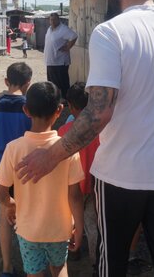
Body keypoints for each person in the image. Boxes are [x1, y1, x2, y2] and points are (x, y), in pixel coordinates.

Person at [17, 0, 154, 277]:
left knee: (111, 262)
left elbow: (99, 113)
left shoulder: (110, 33)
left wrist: (52, 156)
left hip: (122, 177)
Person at [0, 82, 85, 277]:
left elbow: (1, 193)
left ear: (26, 110)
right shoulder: (67, 150)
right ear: (60, 110)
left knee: (34, 273)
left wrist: (12, 206)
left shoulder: (13, 148)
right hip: (60, 229)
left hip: (28, 230)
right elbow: (75, 196)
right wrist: (79, 227)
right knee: (59, 268)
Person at [0, 62, 33, 277]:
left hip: (0, 170)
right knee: (28, 215)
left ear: (5, 81)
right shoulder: (30, 107)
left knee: (5, 218)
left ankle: (6, 268)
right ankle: (33, 263)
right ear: (28, 84)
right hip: (28, 169)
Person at [56, 82, 99, 269]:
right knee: (92, 224)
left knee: (71, 220)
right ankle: (95, 261)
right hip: (95, 185)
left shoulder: (64, 131)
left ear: (71, 106)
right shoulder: (101, 129)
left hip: (72, 187)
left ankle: (73, 251)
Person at [44, 13, 77, 99]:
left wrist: (68, 47)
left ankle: (66, 99)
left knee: (62, 82)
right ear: (49, 21)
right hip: (50, 61)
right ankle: (55, 98)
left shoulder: (63, 29)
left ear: (59, 19)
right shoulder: (49, 29)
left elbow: (74, 36)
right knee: (52, 83)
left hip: (60, 61)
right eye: (51, 20)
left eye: (55, 19)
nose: (53, 21)